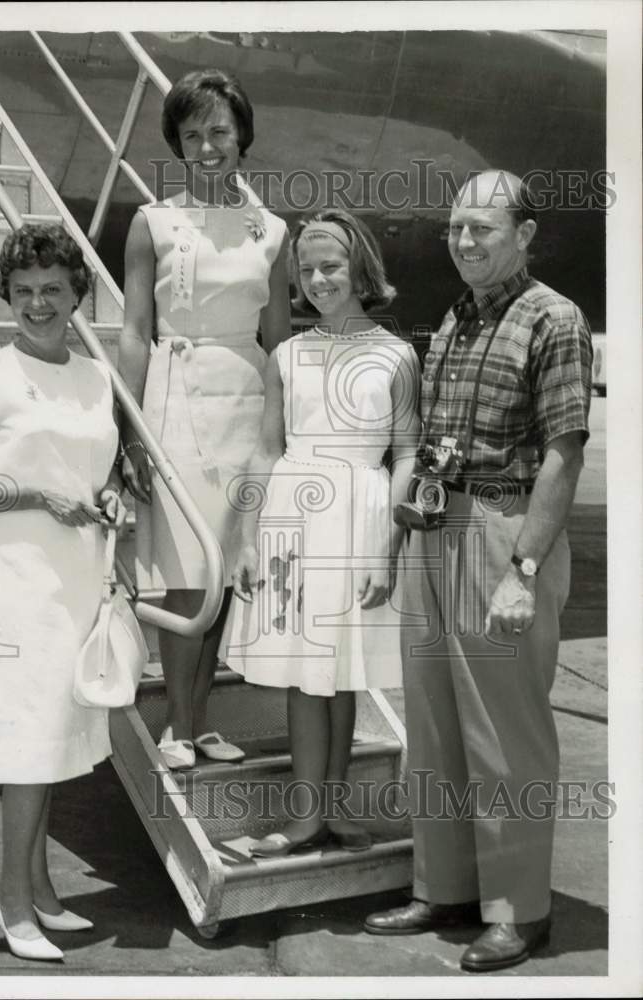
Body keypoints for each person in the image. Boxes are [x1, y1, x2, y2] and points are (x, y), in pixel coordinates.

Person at [363, 171, 594, 973]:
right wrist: (401, 541)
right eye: (455, 228)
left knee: (505, 732)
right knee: (431, 725)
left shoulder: (554, 319)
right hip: (438, 524)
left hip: (505, 525)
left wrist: (522, 567)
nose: (464, 242)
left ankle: (518, 909)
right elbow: (429, 445)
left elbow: (564, 451)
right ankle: (445, 886)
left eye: (482, 230)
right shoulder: (457, 317)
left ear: (524, 234)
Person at [0, 223, 128, 962]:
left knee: (53, 738)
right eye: (22, 293)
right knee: (25, 745)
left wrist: (110, 500)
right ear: (6, 296)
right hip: (12, 581)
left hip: (75, 576)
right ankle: (9, 900)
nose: (38, 304)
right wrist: (38, 494)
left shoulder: (97, 377)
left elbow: (96, 472)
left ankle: (40, 887)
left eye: (52, 290)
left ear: (78, 293)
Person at [221, 210, 421, 856]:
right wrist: (247, 537)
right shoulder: (286, 353)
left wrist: (387, 548)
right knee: (304, 678)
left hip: (360, 520)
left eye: (330, 265)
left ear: (361, 267)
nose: (317, 278)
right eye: (305, 270)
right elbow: (264, 452)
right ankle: (306, 817)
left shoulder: (397, 355)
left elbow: (409, 456)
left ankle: (329, 811)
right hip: (294, 521)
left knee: (340, 677)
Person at [118, 68, 291, 770]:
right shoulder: (152, 222)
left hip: (245, 401)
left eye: (219, 131)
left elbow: (279, 340)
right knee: (188, 571)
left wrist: (291, 429)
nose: (207, 145)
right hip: (175, 396)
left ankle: (200, 718)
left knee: (222, 572)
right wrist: (127, 428)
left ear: (242, 137)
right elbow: (133, 332)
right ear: (178, 145)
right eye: (192, 135)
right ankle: (179, 725)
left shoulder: (272, 229)